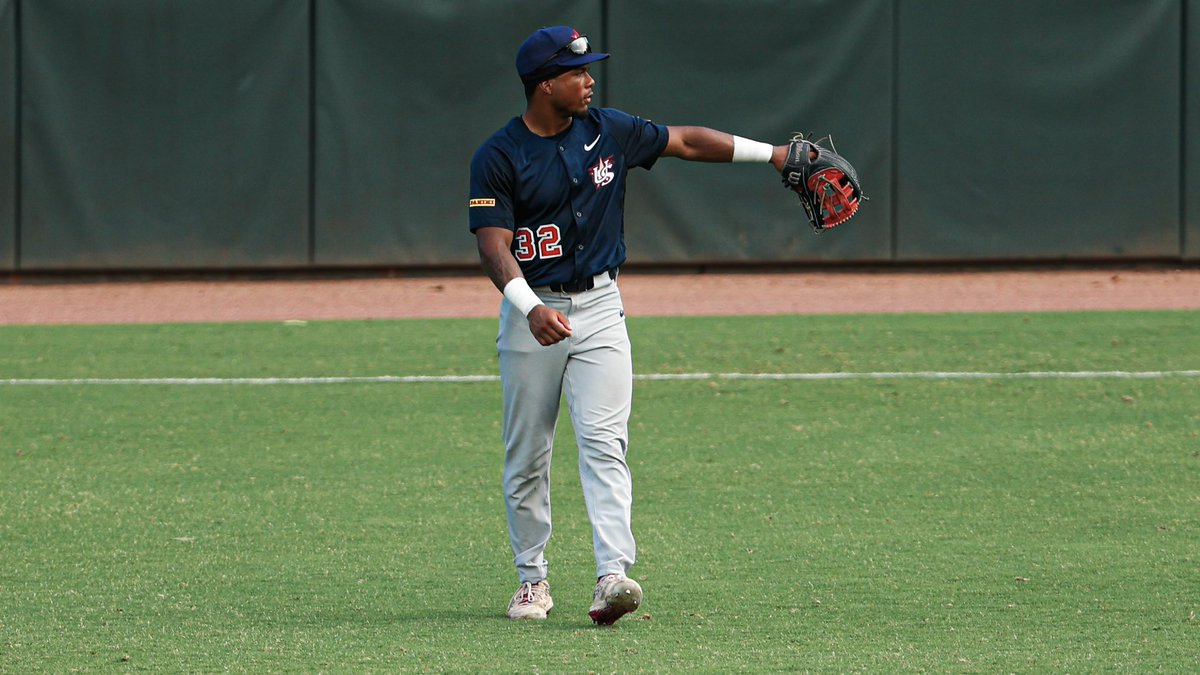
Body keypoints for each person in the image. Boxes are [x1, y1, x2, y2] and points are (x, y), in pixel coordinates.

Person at [468, 25, 793, 624]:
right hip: (531, 313)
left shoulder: (609, 130)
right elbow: (494, 247)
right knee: (527, 456)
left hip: (601, 308)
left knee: (604, 444)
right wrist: (528, 306)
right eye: (577, 72)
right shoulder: (499, 155)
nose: (590, 80)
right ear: (545, 86)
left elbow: (688, 142)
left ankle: (612, 576)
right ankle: (532, 581)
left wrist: (772, 154)